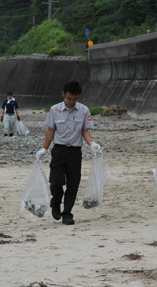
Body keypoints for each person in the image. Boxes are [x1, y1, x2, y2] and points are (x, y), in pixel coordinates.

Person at [36, 81, 101, 225]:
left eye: (75, 99)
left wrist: (92, 144)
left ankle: (67, 214)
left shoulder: (84, 110)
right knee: (56, 181)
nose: (72, 102)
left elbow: (85, 130)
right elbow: (51, 130)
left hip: (75, 152)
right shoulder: (54, 110)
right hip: (59, 150)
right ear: (63, 95)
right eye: (69, 98)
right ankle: (56, 200)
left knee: (73, 183)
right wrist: (44, 149)